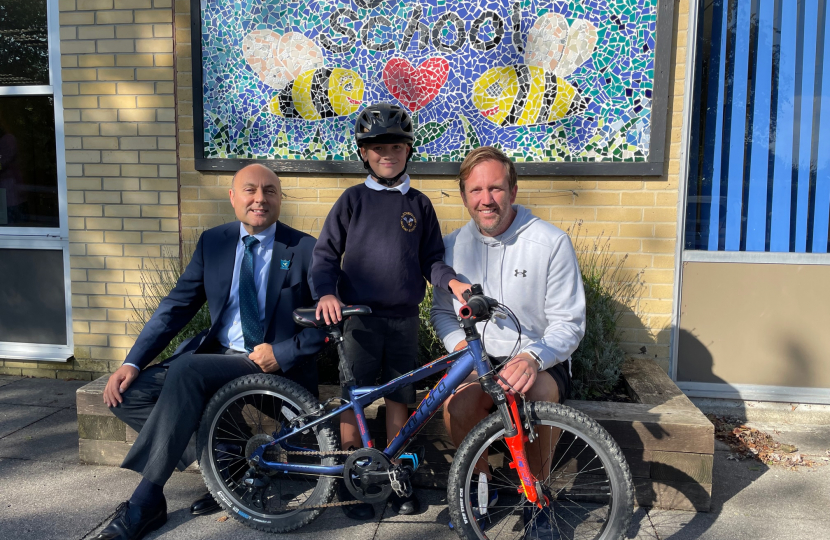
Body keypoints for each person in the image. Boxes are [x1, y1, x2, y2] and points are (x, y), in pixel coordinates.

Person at [96, 164, 325, 540]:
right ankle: (226, 456)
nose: (259, 199)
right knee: (125, 394)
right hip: (221, 357)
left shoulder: (305, 249)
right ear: (233, 197)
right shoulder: (214, 242)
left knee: (188, 371)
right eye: (249, 190)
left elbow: (327, 323)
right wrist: (132, 361)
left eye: (270, 191)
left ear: (280, 198)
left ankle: (147, 499)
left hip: (276, 370)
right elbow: (176, 307)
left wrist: (283, 352)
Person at [311, 103, 470, 519]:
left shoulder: (418, 204)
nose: (387, 154)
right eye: (377, 147)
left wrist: (452, 282)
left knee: (401, 396)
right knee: (355, 399)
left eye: (396, 146)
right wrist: (326, 294)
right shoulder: (352, 200)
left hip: (403, 320)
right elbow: (325, 255)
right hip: (359, 320)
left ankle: (394, 475)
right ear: (364, 153)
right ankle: (355, 482)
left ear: (408, 150)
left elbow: (431, 259)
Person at [430, 146, 586, 539]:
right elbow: (443, 313)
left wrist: (534, 358)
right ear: (464, 195)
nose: (486, 200)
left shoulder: (551, 242)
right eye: (476, 190)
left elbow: (569, 323)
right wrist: (457, 346)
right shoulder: (450, 247)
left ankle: (538, 497)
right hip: (477, 357)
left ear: (513, 191)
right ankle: (482, 493)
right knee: (456, 405)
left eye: (496, 188)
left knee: (533, 397)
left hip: (538, 355)